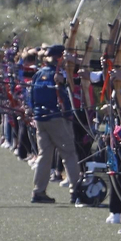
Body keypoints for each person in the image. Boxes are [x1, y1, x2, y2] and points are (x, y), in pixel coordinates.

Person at [28, 44, 83, 206]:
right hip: (56, 118)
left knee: (44, 155)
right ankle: (76, 190)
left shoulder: (39, 74)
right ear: (60, 57)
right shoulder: (58, 74)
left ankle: (39, 191)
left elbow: (31, 96)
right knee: (69, 154)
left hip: (40, 118)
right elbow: (65, 97)